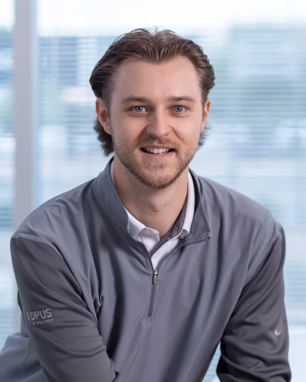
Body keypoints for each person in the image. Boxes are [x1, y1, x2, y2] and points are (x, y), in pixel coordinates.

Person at [0, 28, 291, 382]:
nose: (159, 128)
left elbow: (258, 376)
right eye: (138, 108)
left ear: (203, 115)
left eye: (179, 108)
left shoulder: (254, 234)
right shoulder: (46, 243)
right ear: (105, 116)